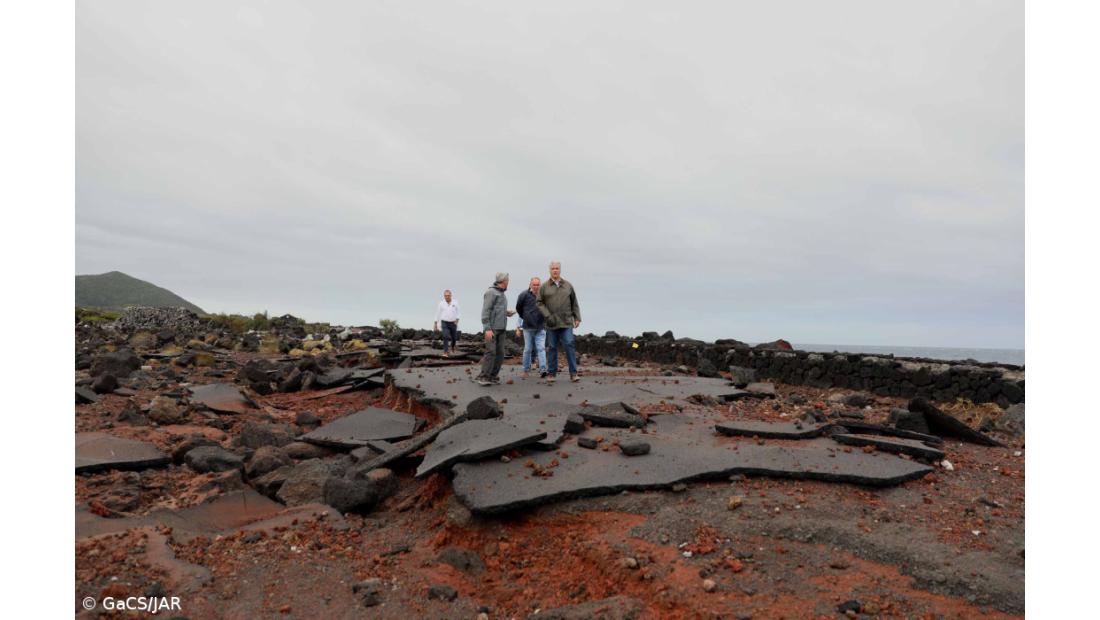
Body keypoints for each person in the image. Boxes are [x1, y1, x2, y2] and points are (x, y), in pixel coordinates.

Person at [536, 261, 581, 383]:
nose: (555, 270)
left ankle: (573, 373)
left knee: (569, 344)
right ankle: (551, 373)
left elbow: (574, 302)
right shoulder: (544, 287)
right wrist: (547, 315)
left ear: (560, 270)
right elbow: (539, 303)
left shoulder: (568, 285)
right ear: (549, 270)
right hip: (552, 323)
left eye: (557, 268)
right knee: (552, 347)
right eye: (553, 268)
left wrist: (577, 317)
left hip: (566, 322)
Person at [476, 272, 514, 386]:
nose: (508, 282)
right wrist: (487, 328)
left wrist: (506, 313)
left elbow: (496, 310)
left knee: (500, 353)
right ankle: (483, 377)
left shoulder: (502, 294)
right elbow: (485, 311)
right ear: (503, 281)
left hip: (501, 328)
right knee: (491, 352)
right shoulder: (491, 292)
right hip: (492, 329)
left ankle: (492, 376)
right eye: (507, 280)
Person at [514, 277, 547, 378]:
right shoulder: (524, 295)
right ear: (530, 285)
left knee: (541, 348)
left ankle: (543, 369)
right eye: (534, 285)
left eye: (538, 285)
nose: (536, 286)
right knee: (528, 349)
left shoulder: (544, 295)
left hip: (541, 327)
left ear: (540, 285)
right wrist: (523, 321)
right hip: (528, 328)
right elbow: (519, 309)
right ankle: (525, 370)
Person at [433, 289, 460, 357]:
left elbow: (458, 312)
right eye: (445, 296)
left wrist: (457, 320)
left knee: (454, 338)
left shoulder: (455, 302)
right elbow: (437, 313)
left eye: (448, 295)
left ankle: (452, 347)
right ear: (444, 296)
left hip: (453, 323)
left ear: (451, 295)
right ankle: (445, 352)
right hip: (444, 322)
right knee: (445, 336)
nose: (447, 297)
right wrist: (435, 324)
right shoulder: (441, 303)